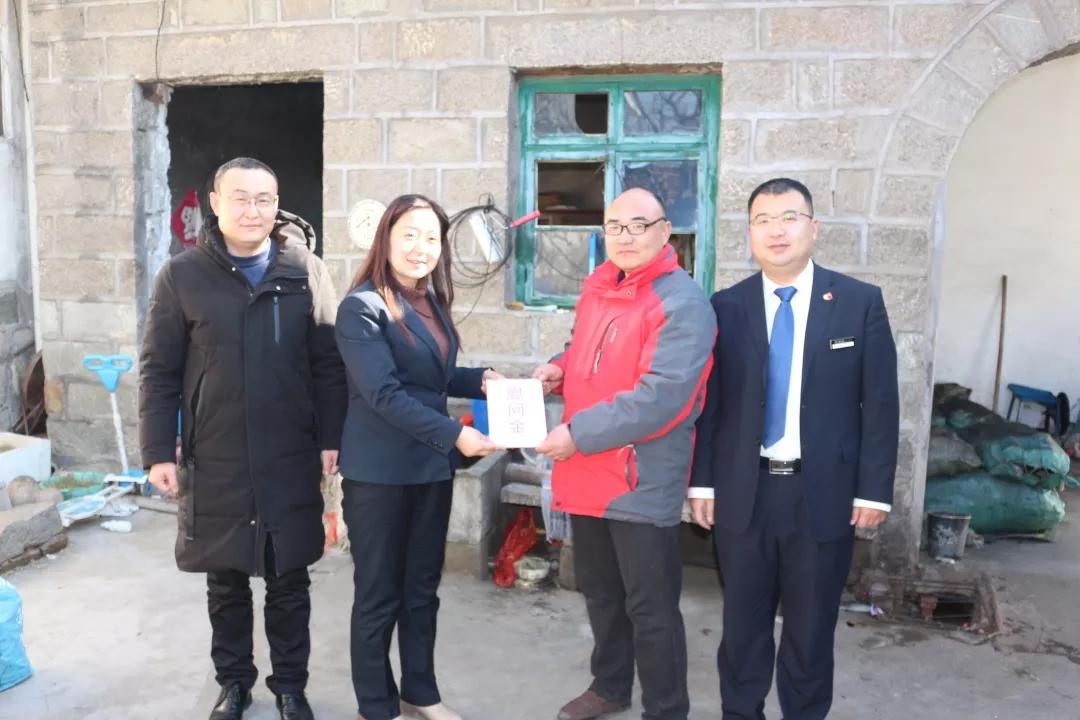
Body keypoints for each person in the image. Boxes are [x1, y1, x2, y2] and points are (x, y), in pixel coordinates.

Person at [139, 157, 346, 720]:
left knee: (289, 580)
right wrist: (157, 451)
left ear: (276, 205)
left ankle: (290, 687)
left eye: (264, 199)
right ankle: (233, 684)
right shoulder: (183, 276)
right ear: (215, 203)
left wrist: (331, 436)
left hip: (289, 453)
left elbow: (328, 363)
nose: (253, 210)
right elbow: (159, 369)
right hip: (216, 454)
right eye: (240, 198)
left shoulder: (305, 271)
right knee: (225, 581)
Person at [689, 177, 899, 720]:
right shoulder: (726, 306)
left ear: (813, 227)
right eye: (763, 220)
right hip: (745, 492)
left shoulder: (858, 303)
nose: (776, 230)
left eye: (789, 217)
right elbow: (711, 406)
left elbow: (880, 405)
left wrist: (874, 491)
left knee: (810, 630)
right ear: (749, 233)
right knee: (742, 627)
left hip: (822, 495)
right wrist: (703, 482)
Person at [533, 188, 716, 720]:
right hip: (588, 468)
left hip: (640, 476)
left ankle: (666, 708)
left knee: (650, 606)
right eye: (615, 226)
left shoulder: (682, 302)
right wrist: (560, 366)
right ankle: (610, 685)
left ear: (665, 232)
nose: (626, 237)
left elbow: (662, 397)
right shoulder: (600, 287)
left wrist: (577, 432)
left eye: (639, 225)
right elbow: (589, 350)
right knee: (601, 592)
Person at [335, 194, 503, 720]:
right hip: (380, 476)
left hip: (428, 470)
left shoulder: (430, 301)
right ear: (385, 239)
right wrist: (455, 436)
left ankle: (420, 692)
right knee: (378, 594)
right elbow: (384, 393)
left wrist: (479, 379)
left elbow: (430, 377)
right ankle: (376, 706)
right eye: (409, 235)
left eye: (431, 238)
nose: (421, 248)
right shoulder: (361, 308)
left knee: (422, 589)